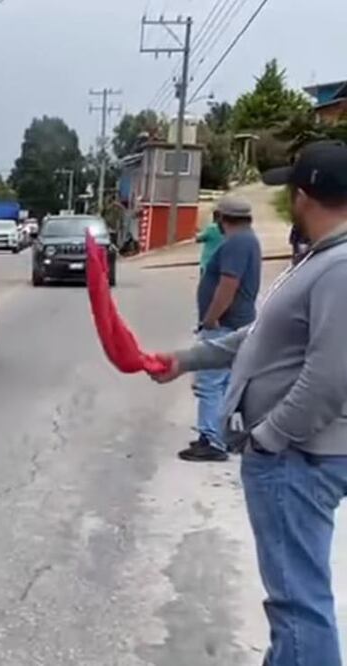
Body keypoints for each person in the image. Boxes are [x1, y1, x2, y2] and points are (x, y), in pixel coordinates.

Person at [149, 141, 347, 666]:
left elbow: (330, 378)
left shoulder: (339, 268)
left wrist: (269, 438)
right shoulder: (322, 261)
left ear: (305, 197)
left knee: (299, 605)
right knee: (291, 602)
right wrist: (186, 359)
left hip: (297, 459)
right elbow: (259, 339)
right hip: (293, 456)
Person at [181, 196, 262, 462]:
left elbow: (228, 284)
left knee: (209, 383)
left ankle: (212, 441)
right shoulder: (248, 240)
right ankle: (219, 434)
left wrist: (211, 318)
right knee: (224, 383)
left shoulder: (237, 244)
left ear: (221, 219)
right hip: (236, 322)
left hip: (225, 324)